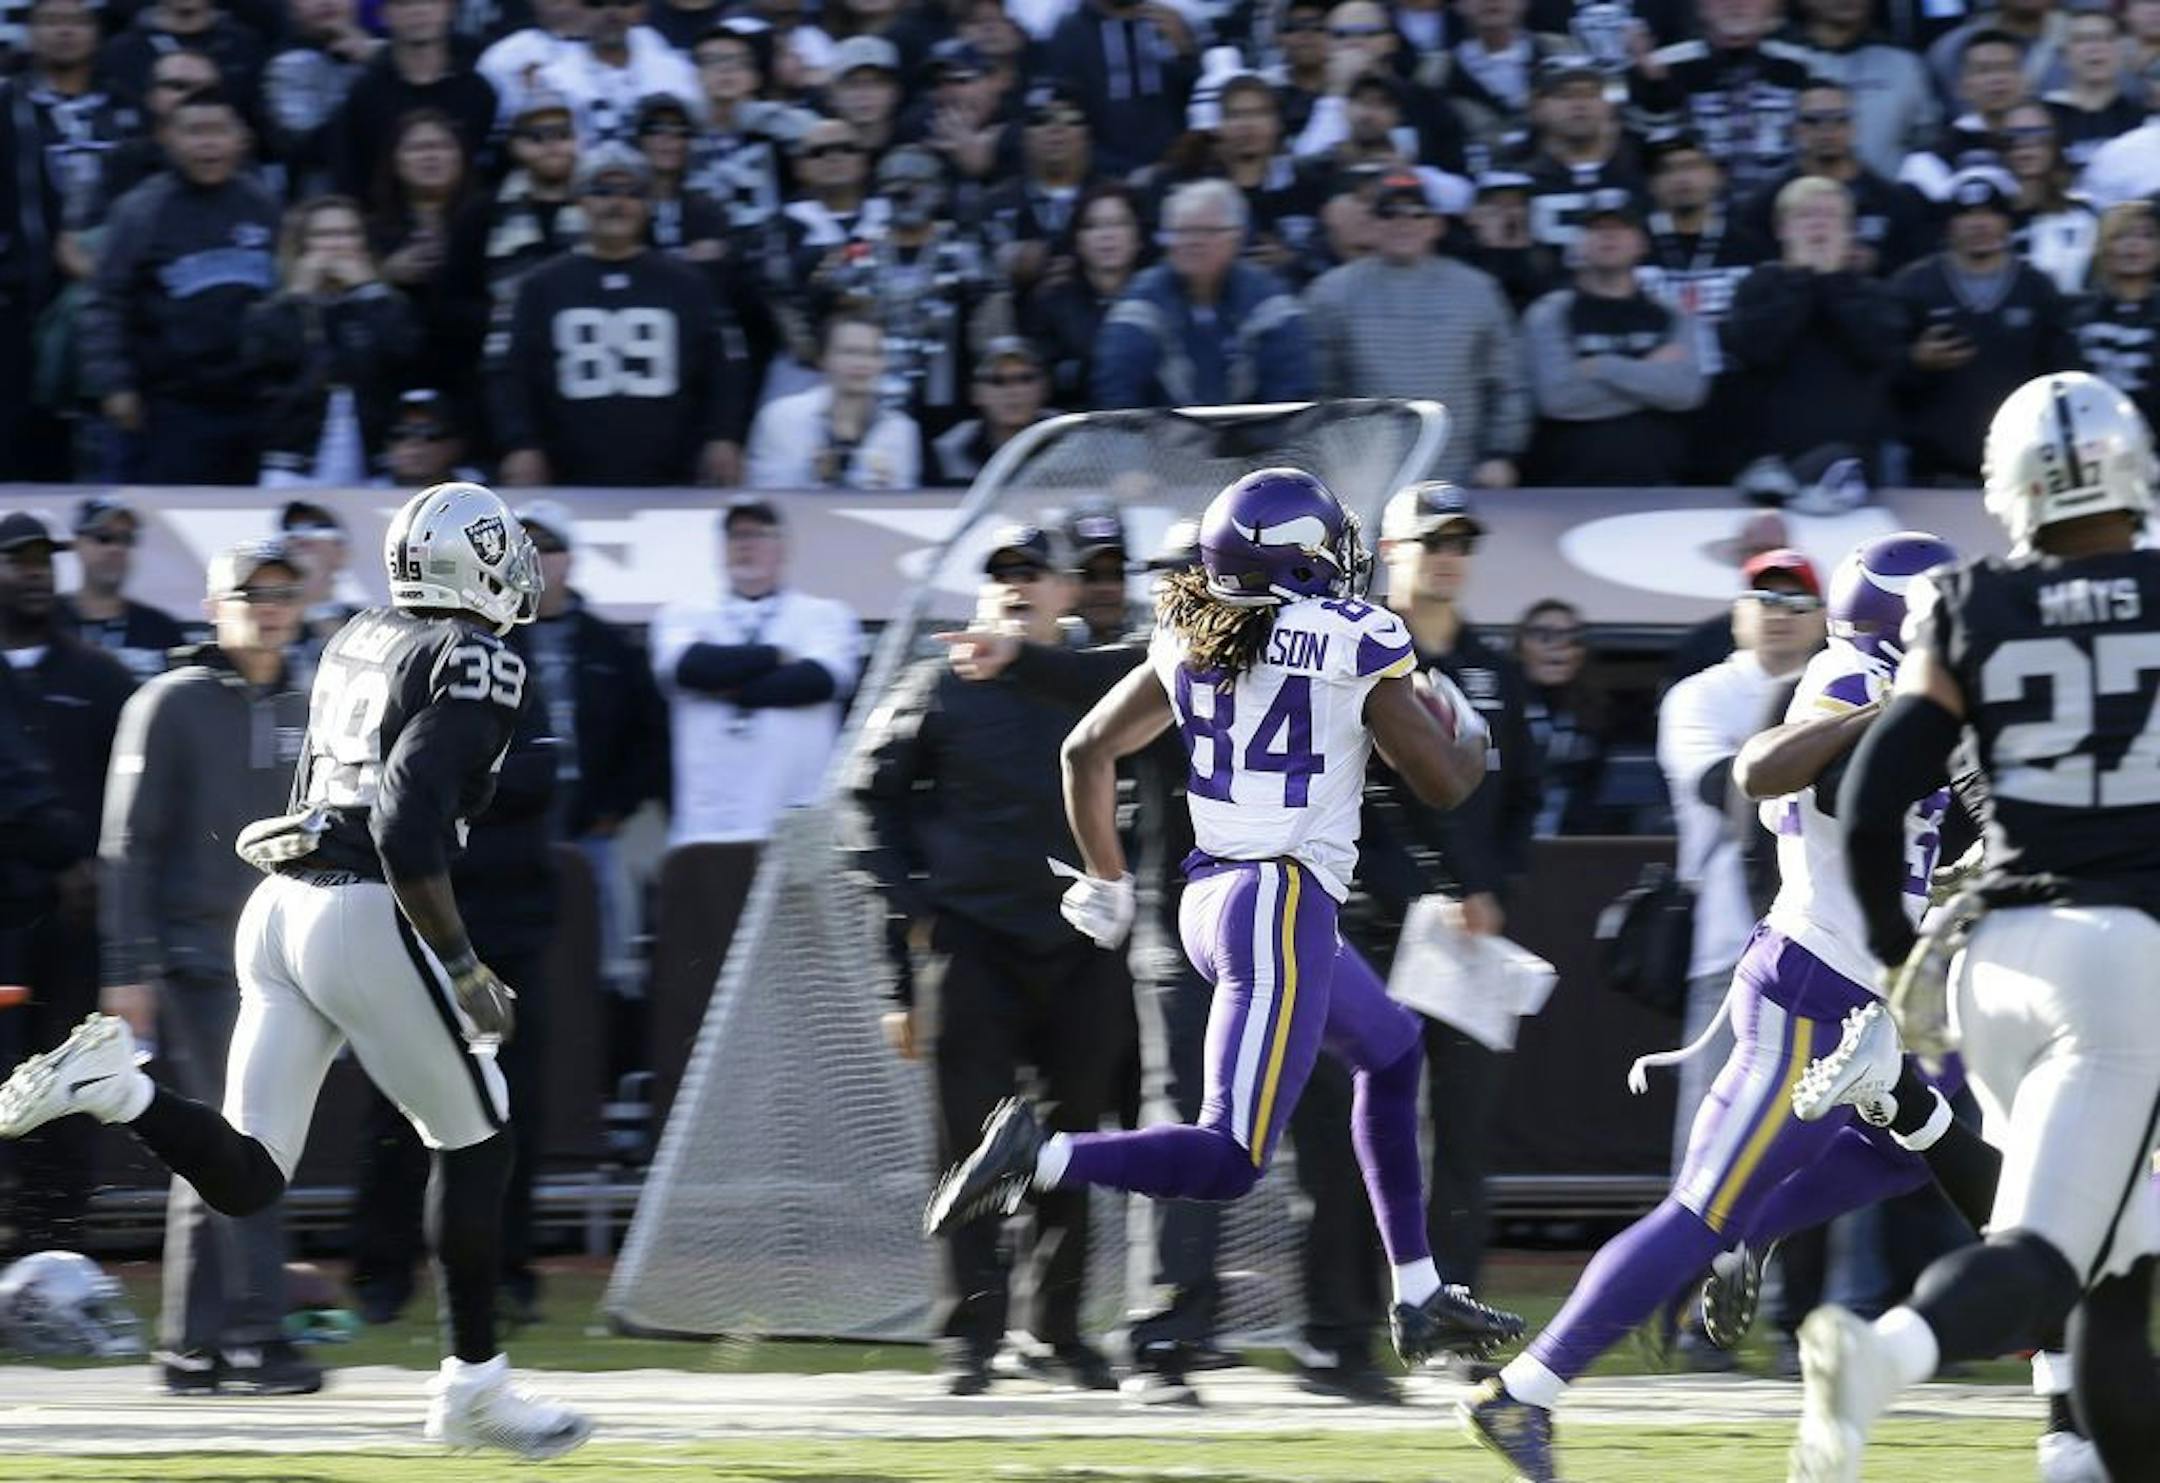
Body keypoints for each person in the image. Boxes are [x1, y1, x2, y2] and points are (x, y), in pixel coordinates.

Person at [0, 482, 590, 1461]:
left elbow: (333, 792)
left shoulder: (361, 632)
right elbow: (403, 821)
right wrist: (462, 962)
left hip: (278, 914)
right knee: (479, 1141)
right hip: (366, 910)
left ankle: (119, 1090)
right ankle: (473, 1390)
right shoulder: (478, 655)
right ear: (474, 558)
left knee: (249, 1175)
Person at [922, 471, 1525, 1386]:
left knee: (1393, 1050)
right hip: (1279, 903)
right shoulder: (1354, 639)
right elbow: (1443, 782)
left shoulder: (1191, 625)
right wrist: (1472, 735)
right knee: (1229, 1156)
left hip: (1213, 899)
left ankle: (1416, 1291)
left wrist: (1107, 879)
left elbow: (1086, 750)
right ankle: (1038, 1155)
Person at [1461, 533, 1965, 1482]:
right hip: (1814, 985)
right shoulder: (1850, 678)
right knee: (1698, 1212)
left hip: (1880, 989)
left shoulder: (1935, 698)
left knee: (1932, 1139)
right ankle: (1521, 1390)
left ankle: (1762, 1228)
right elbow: (1761, 768)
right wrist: (1897, 709)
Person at [1792, 373, 2160, 1483]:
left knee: (2115, 1267)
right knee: (2049, 1251)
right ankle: (1885, 1353)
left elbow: (1872, 797)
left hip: (1994, 964)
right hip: (2123, 961)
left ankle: (2072, 1451)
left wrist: (1899, 957)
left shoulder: (1970, 601)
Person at [851, 522, 1134, 1396]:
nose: (1014, 584)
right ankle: (968, 1339)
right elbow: (865, 805)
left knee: (1073, 1145)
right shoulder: (936, 683)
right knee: (968, 1148)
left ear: (1065, 590)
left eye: (1032, 572)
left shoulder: (1100, 680)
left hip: (1081, 946)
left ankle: (1054, 1332)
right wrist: (914, 927)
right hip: (970, 948)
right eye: (1001, 572)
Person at [97, 540, 315, 1397]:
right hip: (192, 961)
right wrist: (124, 970)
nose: (268, 607)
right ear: (212, 603)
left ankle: (190, 1346)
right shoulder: (166, 703)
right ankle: (260, 1341)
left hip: (285, 961)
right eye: (250, 593)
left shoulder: (315, 698)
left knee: (215, 1155)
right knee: (251, 1145)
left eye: (282, 592)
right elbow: (125, 848)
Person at [1654, 549, 1826, 1201]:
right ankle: (1685, 1286)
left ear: (1824, 618)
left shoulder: (1846, 683)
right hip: (1733, 939)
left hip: (1834, 942)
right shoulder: (1700, 693)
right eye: (1765, 599)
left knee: (1824, 1134)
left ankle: (1792, 1294)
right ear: (1737, 614)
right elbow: (1727, 786)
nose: (1779, 615)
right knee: (1711, 1134)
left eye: (1796, 602)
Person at [0, 510, 134, 1259]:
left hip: (76, 927)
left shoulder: (100, 678)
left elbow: (133, 800)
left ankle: (58, 1258)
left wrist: (100, 871)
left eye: (41, 558)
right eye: (15, 558)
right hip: (4, 923)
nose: (32, 571)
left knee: (68, 1086)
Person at [495, 143, 749, 488]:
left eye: (631, 192)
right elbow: (511, 373)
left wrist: (724, 436)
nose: (617, 203)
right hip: (566, 477)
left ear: (647, 203)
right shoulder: (541, 286)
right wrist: (521, 443)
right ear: (580, 200)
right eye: (602, 191)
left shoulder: (687, 283)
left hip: (675, 481)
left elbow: (724, 367)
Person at [79, 86, 281, 485]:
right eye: (194, 131)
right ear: (168, 138)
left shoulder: (264, 205)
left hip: (254, 402)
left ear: (241, 139)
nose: (207, 143)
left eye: (218, 130)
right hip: (172, 406)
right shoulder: (140, 210)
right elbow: (104, 302)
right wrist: (115, 385)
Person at [651, 499, 861, 847]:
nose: (745, 544)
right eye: (736, 535)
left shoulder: (827, 615)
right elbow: (689, 668)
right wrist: (775, 654)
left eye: (759, 534)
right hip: (710, 827)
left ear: (783, 547)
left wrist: (723, 685)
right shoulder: (682, 614)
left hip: (799, 824)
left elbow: (816, 682)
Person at [1303, 169, 1527, 488]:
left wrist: (1500, 453)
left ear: (1437, 225)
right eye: (1390, 214)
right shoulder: (1330, 293)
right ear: (1373, 223)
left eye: (1417, 214)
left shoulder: (1478, 291)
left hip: (1459, 479)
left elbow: (1508, 383)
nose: (1403, 224)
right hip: (1365, 482)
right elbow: (1318, 393)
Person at [1891, 165, 2081, 486]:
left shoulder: (2037, 288)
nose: (1979, 223)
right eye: (1966, 214)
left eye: (1991, 213)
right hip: (1935, 469)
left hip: (2022, 468)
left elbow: (2064, 375)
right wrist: (1916, 362)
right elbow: (1882, 372)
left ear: (2008, 222)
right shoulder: (1913, 286)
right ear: (1949, 225)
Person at [1720, 176, 1908, 475]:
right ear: (1782, 230)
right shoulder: (1757, 285)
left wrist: (1832, 280)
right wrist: (1802, 280)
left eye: (1831, 216)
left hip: (1855, 459)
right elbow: (1756, 351)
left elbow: (1881, 351)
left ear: (1849, 231)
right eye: (1805, 215)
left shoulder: (1874, 291)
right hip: (1770, 460)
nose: (1818, 224)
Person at [1522, 188, 1708, 485]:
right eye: (1596, 229)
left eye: (1622, 227)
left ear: (1641, 242)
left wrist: (1603, 367)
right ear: (1579, 243)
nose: (1609, 236)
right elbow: (1558, 398)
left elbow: (1686, 392)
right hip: (1568, 488)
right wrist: (1649, 376)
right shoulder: (1550, 313)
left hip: (1660, 484)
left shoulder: (1672, 314)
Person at [246, 195, 423, 488]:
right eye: (324, 235)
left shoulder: (384, 304)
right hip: (292, 467)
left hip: (372, 467)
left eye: (349, 233)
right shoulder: (271, 312)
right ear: (302, 245)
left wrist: (368, 290)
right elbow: (270, 363)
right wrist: (299, 298)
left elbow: (405, 355)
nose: (338, 244)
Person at [1092, 178, 1316, 408]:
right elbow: (1118, 399)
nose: (1190, 242)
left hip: (1259, 440)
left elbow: (1292, 399)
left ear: (1236, 237)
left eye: (1204, 231)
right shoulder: (1139, 306)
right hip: (1159, 439)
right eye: (1179, 232)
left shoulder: (1271, 305)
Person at [744, 308, 921, 489]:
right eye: (850, 352)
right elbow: (765, 500)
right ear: (824, 360)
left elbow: (905, 506)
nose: (861, 364)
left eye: (872, 354)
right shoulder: (780, 419)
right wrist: (811, 476)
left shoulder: (901, 430)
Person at [1019, 181, 1145, 409]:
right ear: (1078, 241)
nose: (1107, 235)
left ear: (1138, 237)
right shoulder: (1050, 305)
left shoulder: (1158, 299)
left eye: (1119, 223)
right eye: (1093, 226)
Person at [55, 497, 190, 688]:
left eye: (126, 539)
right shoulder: (46, 621)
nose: (116, 549)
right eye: (104, 538)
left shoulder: (161, 629)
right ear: (78, 545)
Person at [1513, 598, 1610, 837]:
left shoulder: (1596, 713)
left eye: (1572, 638)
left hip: (1573, 847)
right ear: (1520, 646)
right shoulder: (1502, 707)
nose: (1559, 646)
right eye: (1543, 635)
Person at [2072, 200, 2160, 433]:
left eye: (2146, 236)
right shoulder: (2076, 319)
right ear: (2103, 248)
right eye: (2120, 236)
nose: (2133, 245)